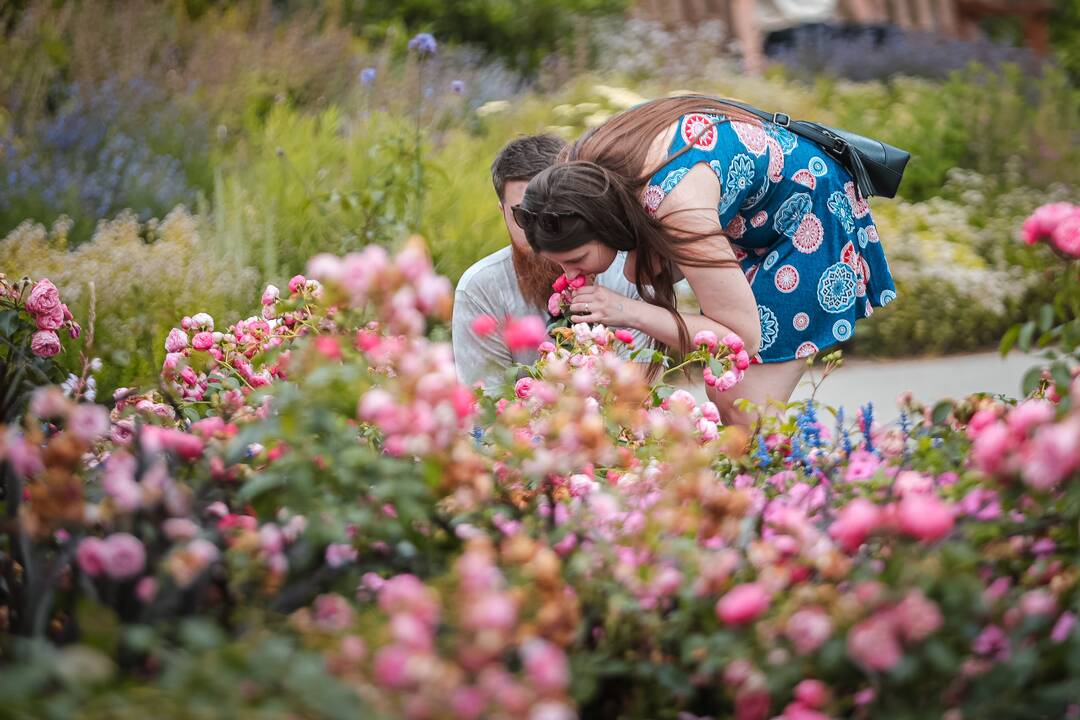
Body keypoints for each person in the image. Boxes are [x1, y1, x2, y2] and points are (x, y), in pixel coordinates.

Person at [515, 96, 897, 427]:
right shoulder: (575, 176)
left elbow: (740, 340)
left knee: (745, 405)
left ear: (606, 223)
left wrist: (624, 310)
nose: (569, 273)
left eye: (576, 258)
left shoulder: (678, 209)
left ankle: (789, 497)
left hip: (810, 214)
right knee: (725, 391)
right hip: (752, 209)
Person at [452, 134, 643, 394]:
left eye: (554, 214)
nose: (541, 233)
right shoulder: (481, 287)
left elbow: (639, 394)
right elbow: (487, 405)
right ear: (503, 213)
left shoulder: (629, 273)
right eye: (525, 216)